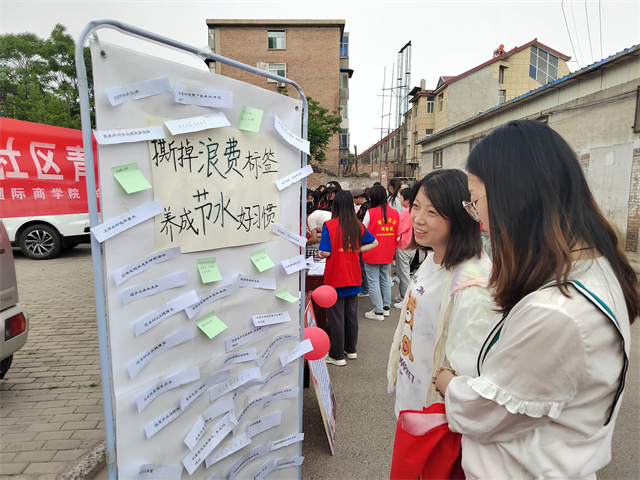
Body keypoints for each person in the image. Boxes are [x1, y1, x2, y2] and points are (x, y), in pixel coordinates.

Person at [433, 120, 639, 479]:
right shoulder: (594, 267)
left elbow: (488, 413)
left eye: (475, 201)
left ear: (515, 198)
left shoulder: (558, 310)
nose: (478, 219)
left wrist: (449, 383)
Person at [387, 169, 494, 417]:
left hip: (437, 422)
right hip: (412, 404)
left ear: (460, 216)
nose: (417, 218)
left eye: (432, 212)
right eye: (416, 206)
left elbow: (470, 379)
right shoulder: (434, 257)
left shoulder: (473, 286)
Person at [318, 190, 378, 366]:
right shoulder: (357, 224)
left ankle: (337, 355)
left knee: (336, 317)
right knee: (351, 315)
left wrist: (321, 253)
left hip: (335, 276)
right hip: (353, 275)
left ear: (335, 205)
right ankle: (351, 350)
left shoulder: (329, 225)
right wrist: (357, 250)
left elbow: (326, 252)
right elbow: (374, 242)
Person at [362, 185, 400, 321]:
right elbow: (398, 232)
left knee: (373, 281)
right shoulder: (395, 213)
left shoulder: (370, 212)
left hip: (372, 251)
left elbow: (362, 230)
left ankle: (377, 311)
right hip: (388, 250)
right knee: (385, 278)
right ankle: (386, 307)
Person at [393, 187, 414, 308]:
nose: (400, 201)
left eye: (401, 199)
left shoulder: (406, 212)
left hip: (404, 245)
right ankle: (402, 295)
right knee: (404, 272)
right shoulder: (415, 210)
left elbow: (399, 228)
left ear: (407, 200)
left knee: (403, 274)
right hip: (412, 245)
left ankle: (407, 300)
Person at [351, 186, 371, 297]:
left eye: (354, 199)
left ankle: (365, 289)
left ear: (359, 197)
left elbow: (362, 224)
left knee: (363, 266)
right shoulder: (367, 205)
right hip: (366, 238)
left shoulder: (365, 207)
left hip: (363, 239)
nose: (353, 202)